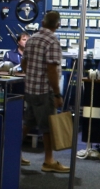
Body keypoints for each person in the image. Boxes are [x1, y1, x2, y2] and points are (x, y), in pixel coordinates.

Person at [21, 11, 70, 173]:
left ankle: (11, 153)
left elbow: (24, 63)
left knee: (27, 123)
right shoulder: (53, 41)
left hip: (30, 90)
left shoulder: (31, 39)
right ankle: (48, 161)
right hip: (44, 92)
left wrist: (32, 77)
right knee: (48, 127)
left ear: (43, 23)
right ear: (58, 25)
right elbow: (52, 70)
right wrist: (57, 94)